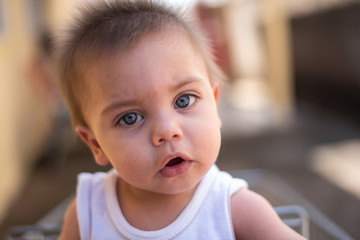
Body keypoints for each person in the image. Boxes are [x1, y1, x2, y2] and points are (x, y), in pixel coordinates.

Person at [56, 0, 306, 239]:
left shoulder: (235, 210)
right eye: (130, 118)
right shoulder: (87, 213)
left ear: (214, 105)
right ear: (95, 144)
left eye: (184, 100)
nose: (167, 130)